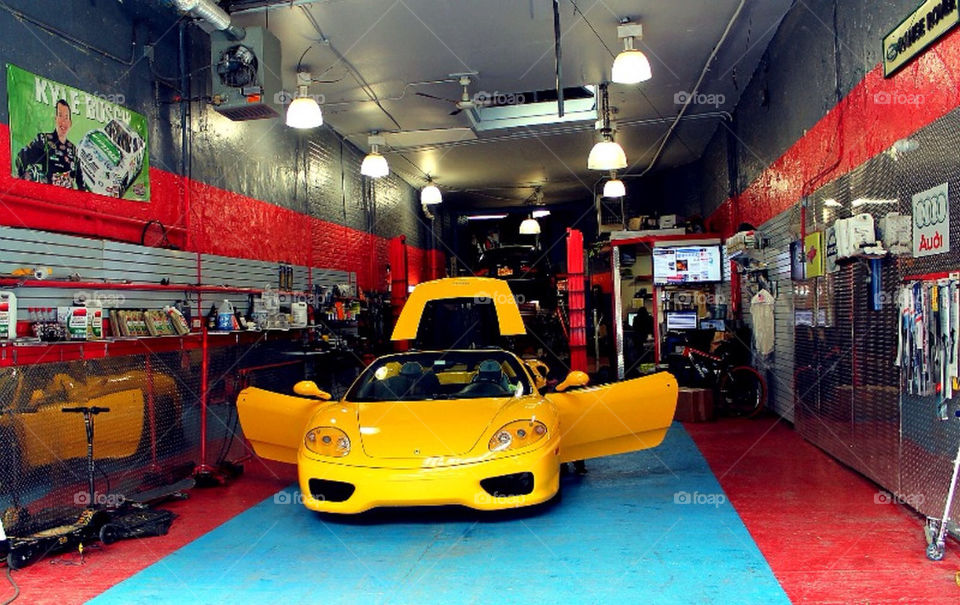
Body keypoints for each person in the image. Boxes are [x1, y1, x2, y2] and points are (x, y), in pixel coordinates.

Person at [15, 99, 85, 191]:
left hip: (65, 201)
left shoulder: (72, 149)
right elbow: (21, 158)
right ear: (56, 119)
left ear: (70, 123)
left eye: (66, 117)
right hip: (45, 196)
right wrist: (23, 181)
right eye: (60, 116)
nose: (63, 122)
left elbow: (81, 183)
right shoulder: (44, 140)